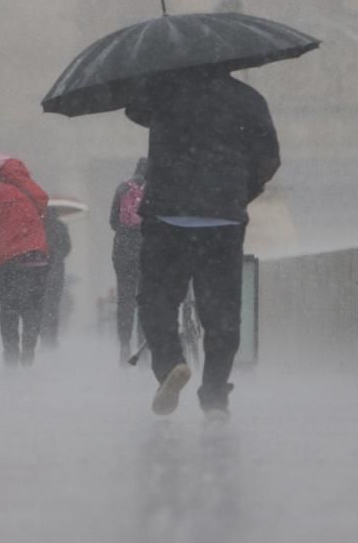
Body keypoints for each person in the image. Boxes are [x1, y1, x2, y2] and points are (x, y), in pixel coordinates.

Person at [125, 70, 280, 420]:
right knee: (222, 313)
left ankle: (170, 365)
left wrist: (160, 77)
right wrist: (239, 193)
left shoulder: (163, 90)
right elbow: (270, 158)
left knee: (157, 301)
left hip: (168, 217)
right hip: (222, 220)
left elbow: (133, 109)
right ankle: (214, 396)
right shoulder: (248, 99)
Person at [0, 159, 49, 367]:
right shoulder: (32, 191)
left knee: (9, 308)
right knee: (33, 307)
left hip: (10, 259)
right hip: (37, 258)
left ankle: (11, 355)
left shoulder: (0, 193)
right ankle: (29, 350)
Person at [109, 158, 148, 365]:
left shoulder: (122, 188)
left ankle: (124, 342)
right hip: (146, 251)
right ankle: (143, 342)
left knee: (125, 298)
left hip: (123, 250)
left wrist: (126, 233)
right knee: (144, 298)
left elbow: (113, 222)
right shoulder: (155, 189)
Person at [39, 208, 72, 349]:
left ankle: (42, 337)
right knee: (53, 306)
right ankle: (52, 338)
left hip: (39, 270)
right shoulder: (61, 226)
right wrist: (58, 256)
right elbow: (67, 248)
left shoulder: (39, 225)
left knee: (40, 306)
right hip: (56, 271)